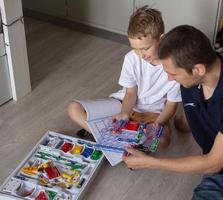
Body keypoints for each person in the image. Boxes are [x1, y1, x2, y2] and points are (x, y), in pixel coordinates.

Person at [123, 25, 223, 200]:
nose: (169, 79)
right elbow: (194, 117)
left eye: (173, 74)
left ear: (198, 69)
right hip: (217, 178)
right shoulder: (190, 84)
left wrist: (151, 163)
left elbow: (213, 163)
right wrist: (164, 127)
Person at [67, 6, 181, 149]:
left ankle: (116, 138)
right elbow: (130, 93)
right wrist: (124, 113)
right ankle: (114, 138)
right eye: (135, 48)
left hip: (153, 114)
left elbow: (171, 105)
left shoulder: (175, 67)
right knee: (74, 108)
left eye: (145, 48)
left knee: (162, 142)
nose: (140, 54)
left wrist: (156, 124)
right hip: (123, 104)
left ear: (161, 39)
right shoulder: (131, 59)